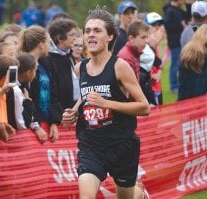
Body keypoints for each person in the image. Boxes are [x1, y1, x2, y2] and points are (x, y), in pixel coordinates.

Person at [62, 8, 149, 199]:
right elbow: (87, 95)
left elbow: (144, 107)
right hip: (91, 145)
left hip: (122, 145)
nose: (91, 34)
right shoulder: (80, 68)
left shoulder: (120, 67)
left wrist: (107, 103)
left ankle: (139, 194)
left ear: (110, 36)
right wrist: (74, 112)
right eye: (87, 31)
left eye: (97, 30)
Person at [19, 25, 60, 142]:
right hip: (32, 129)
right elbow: (24, 99)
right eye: (48, 42)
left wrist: (53, 122)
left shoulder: (45, 64)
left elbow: (53, 93)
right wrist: (35, 126)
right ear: (41, 44)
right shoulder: (24, 66)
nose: (49, 46)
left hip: (46, 123)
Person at [6, 53, 48, 143]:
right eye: (35, 71)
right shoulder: (15, 90)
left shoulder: (23, 86)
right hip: (13, 140)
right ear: (28, 72)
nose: (35, 75)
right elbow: (22, 124)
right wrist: (28, 102)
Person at [42, 18, 79, 110]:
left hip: (72, 108)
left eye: (75, 35)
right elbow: (52, 91)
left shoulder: (68, 55)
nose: (75, 38)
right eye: (71, 35)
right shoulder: (49, 59)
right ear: (60, 38)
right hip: (60, 112)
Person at [142, 12, 166, 105]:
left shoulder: (155, 44)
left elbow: (159, 64)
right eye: (153, 24)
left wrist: (159, 72)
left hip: (157, 86)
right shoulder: (143, 44)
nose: (157, 27)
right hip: (148, 88)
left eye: (159, 24)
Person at [163, 0, 187, 93]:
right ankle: (174, 86)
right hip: (175, 43)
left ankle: (180, 84)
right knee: (175, 65)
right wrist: (181, 25)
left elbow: (189, 17)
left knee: (182, 65)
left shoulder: (179, 10)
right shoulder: (170, 11)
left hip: (181, 42)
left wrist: (188, 5)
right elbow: (168, 27)